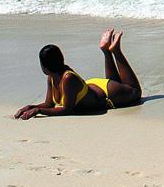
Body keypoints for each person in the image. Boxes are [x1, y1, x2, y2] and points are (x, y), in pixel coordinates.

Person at [14, 29, 142, 120]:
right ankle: (107, 51)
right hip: (95, 86)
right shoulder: (51, 78)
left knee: (135, 92)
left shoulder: (68, 78)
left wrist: (39, 110)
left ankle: (116, 51)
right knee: (119, 84)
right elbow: (49, 104)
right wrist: (31, 107)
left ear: (45, 66)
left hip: (107, 93)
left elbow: (67, 109)